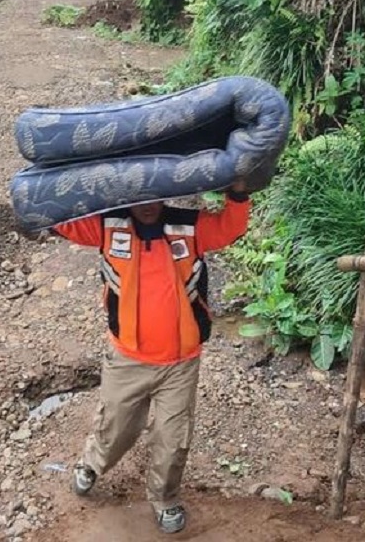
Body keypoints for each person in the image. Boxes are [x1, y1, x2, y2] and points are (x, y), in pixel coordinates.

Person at [52, 182, 251, 534]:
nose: (146, 206)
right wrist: (56, 188)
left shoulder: (189, 227)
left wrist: (237, 193)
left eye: (152, 196)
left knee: (173, 438)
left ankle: (165, 498)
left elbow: (230, 227)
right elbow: (60, 222)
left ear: (163, 192)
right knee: (116, 427)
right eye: (137, 198)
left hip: (180, 361)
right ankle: (92, 465)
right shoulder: (107, 226)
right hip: (127, 357)